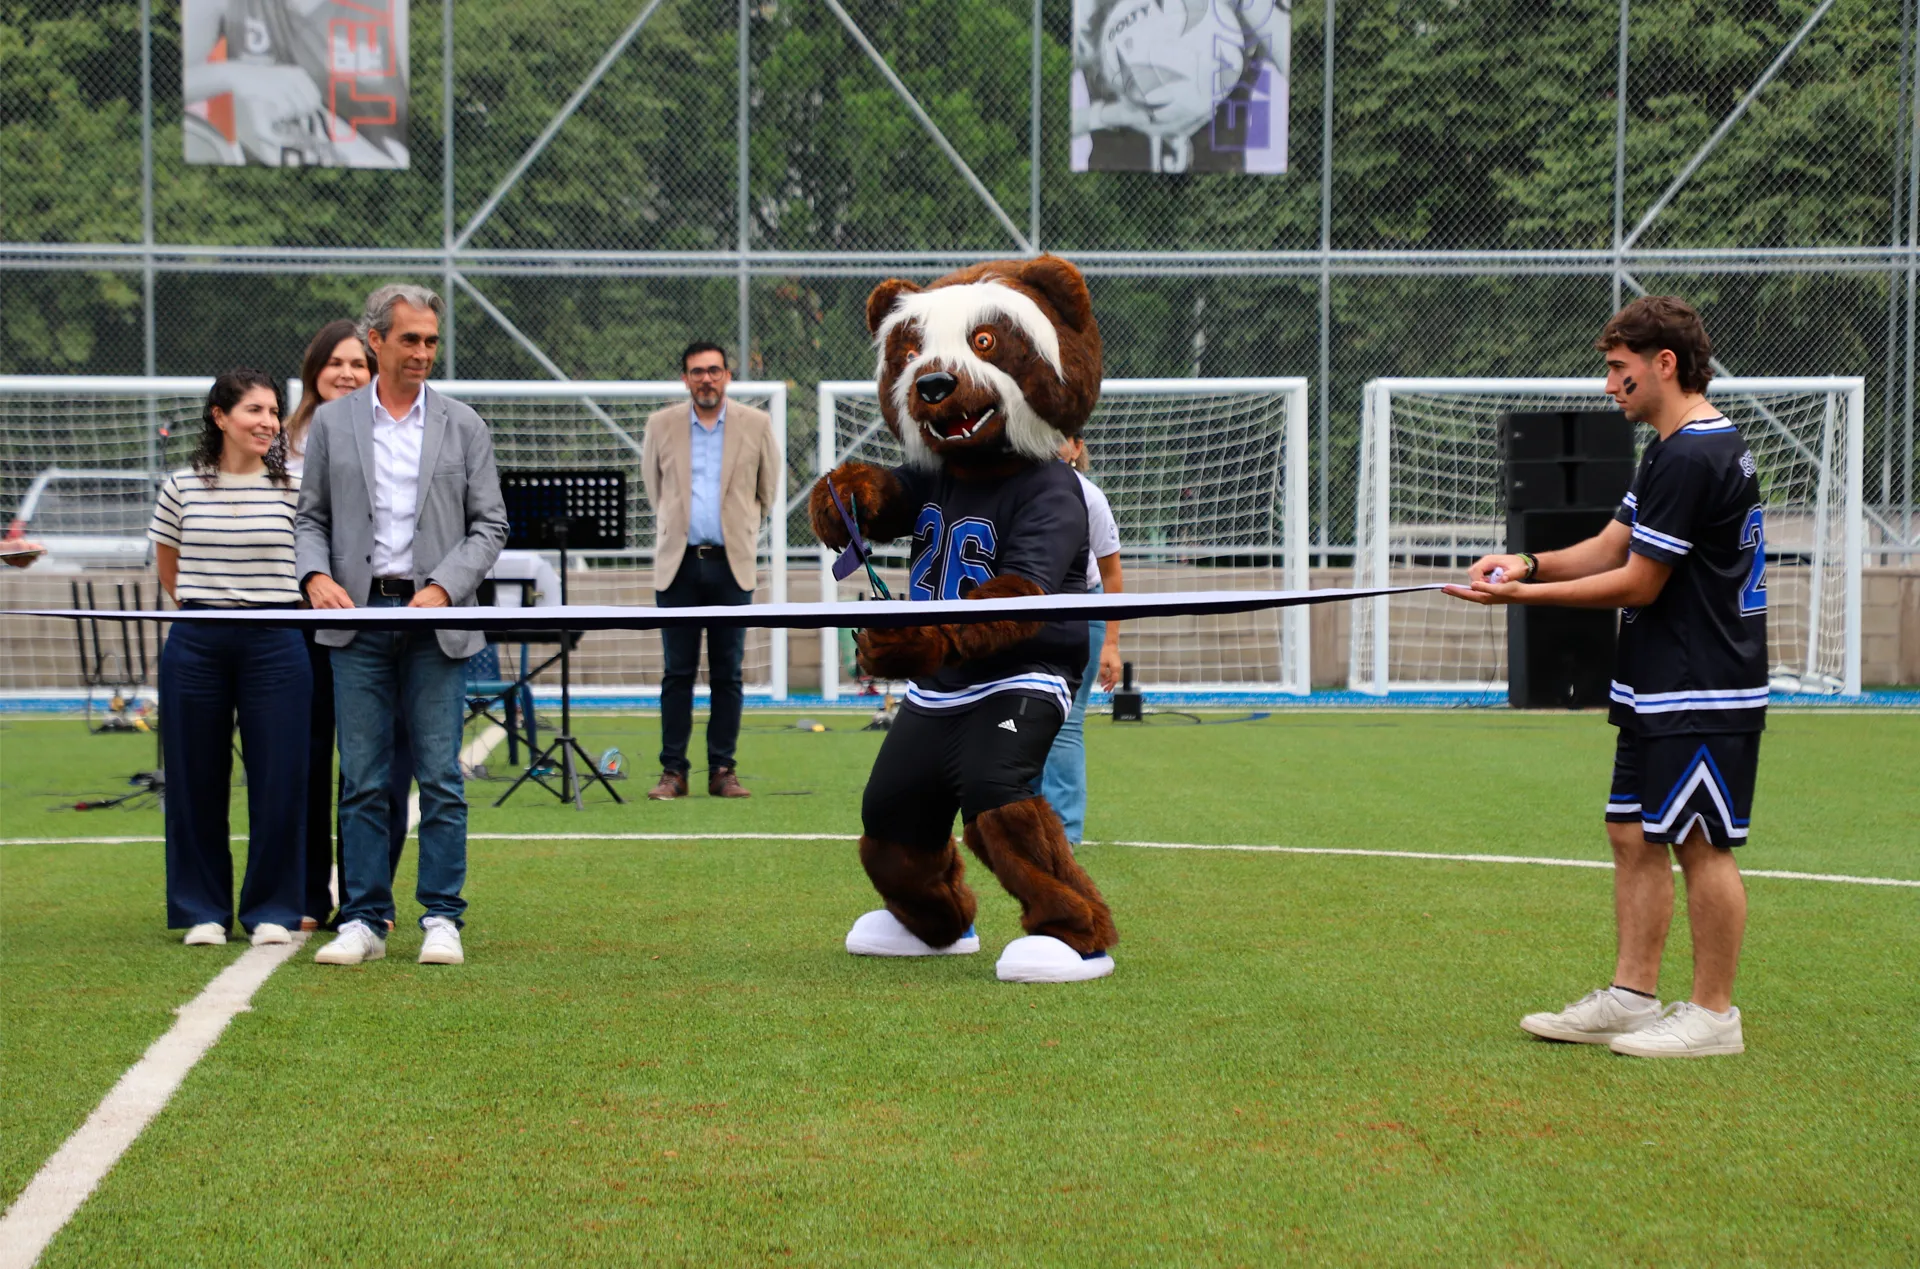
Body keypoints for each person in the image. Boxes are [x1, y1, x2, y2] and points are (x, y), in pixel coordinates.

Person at [1446, 295, 1763, 1058]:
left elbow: (1637, 582)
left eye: (1619, 369)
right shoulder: (1671, 447)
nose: (1608, 385)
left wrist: (1523, 596)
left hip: (1702, 682)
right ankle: (1631, 995)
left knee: (1699, 840)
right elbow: (1610, 543)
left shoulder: (1693, 454)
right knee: (1630, 831)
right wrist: (1524, 560)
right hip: (1656, 678)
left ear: (1665, 364)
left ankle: (1714, 1014)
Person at [297, 284, 507, 967]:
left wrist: (446, 584)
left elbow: (490, 523)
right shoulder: (332, 424)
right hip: (355, 620)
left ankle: (442, 914)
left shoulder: (464, 423)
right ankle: (363, 916)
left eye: (431, 340)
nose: (422, 352)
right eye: (410, 339)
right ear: (375, 341)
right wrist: (314, 577)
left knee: (441, 776)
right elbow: (311, 519)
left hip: (434, 621)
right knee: (361, 777)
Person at [148, 369, 310, 947]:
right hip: (197, 643)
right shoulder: (181, 487)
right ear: (220, 417)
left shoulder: (295, 486)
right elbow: (170, 571)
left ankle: (273, 909)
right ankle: (201, 911)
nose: (268, 422)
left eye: (273, 412)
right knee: (194, 779)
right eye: (255, 412)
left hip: (277, 643)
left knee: (280, 779)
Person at [284, 319, 410, 931]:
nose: (347, 373)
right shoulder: (281, 443)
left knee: (380, 764)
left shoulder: (397, 433)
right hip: (304, 623)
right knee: (309, 759)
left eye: (358, 364)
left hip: (377, 619)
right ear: (313, 371)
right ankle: (309, 893)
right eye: (335, 362)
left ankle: (371, 897)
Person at [640, 342, 781, 800]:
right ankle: (672, 772)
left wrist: (738, 529)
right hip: (678, 568)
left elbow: (767, 491)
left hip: (730, 567)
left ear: (727, 376)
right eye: (697, 372)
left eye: (714, 371)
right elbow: (654, 490)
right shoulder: (660, 426)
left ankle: (722, 769)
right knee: (676, 674)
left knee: (728, 674)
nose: (706, 379)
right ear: (684, 378)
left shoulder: (756, 425)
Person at [1036, 436, 1124, 845]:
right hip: (1025, 611)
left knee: (1067, 721)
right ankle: (1023, 825)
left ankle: (1065, 835)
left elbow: (1111, 575)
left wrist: (1110, 643)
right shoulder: (1016, 488)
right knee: (1019, 715)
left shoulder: (1089, 497)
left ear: (1076, 448)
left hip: (1079, 611)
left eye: (1061, 438)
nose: (1051, 445)